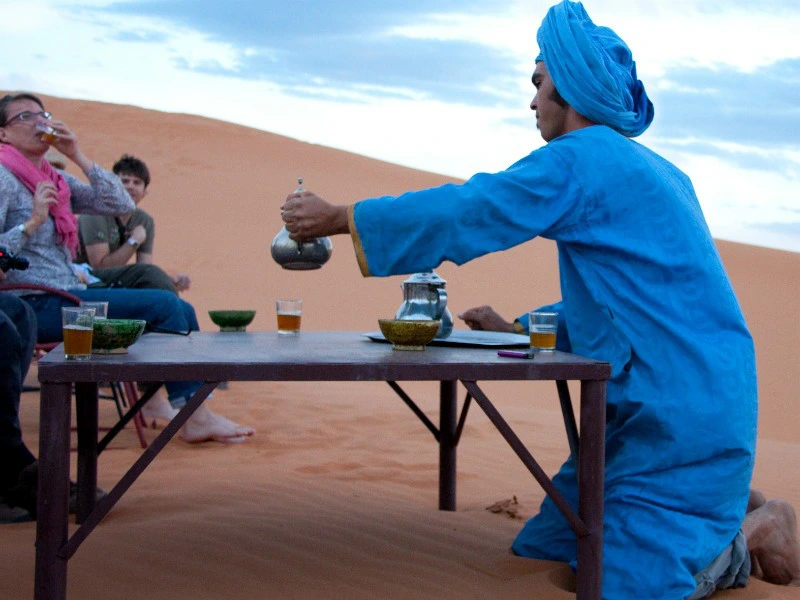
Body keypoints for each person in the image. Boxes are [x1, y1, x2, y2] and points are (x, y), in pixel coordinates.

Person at [278, 1, 799, 596]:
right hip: (646, 406)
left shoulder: (587, 159)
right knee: (546, 545)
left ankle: (755, 526)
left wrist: (344, 218)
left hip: (683, 408)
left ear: (569, 87)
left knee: (624, 584)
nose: (531, 101)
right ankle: (722, 499)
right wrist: (518, 327)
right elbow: (626, 302)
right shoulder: (644, 169)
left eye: (538, 82)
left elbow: (478, 207)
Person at [0, 92, 253, 444]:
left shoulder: (54, 180)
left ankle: (182, 407)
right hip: (32, 308)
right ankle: (191, 415)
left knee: (181, 308)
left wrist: (77, 155)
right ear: (3, 134)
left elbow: (119, 202)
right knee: (163, 307)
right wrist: (31, 223)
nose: (39, 122)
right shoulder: (4, 180)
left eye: (42, 115)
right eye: (24, 117)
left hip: (70, 297)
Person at [75, 154, 190, 294]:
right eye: (125, 181)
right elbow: (99, 267)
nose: (130, 186)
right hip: (80, 280)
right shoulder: (95, 213)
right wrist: (134, 241)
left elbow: (145, 269)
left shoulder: (144, 221)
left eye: (137, 183)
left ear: (144, 192)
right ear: (114, 186)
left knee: (159, 288)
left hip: (111, 283)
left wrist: (168, 280)